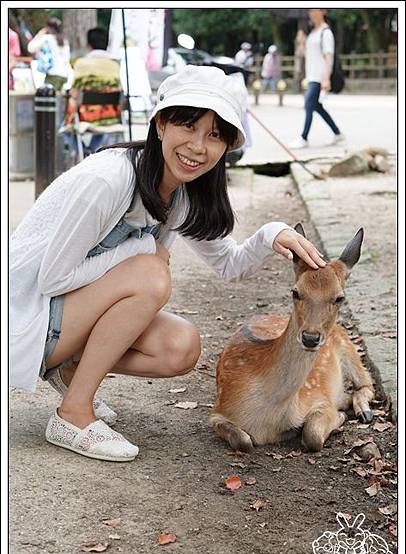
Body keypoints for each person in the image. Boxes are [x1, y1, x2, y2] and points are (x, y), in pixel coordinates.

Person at [10, 65, 326, 462]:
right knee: (150, 273)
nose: (198, 146)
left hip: (59, 322)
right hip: (24, 320)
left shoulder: (180, 194)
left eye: (214, 135)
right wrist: (141, 252)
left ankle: (71, 373)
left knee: (180, 346)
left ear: (227, 146)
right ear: (160, 124)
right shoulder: (109, 180)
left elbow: (229, 265)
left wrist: (272, 233)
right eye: (188, 126)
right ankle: (73, 413)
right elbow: (54, 278)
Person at [289, 9, 343, 149]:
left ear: (323, 11)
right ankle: (337, 133)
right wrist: (300, 42)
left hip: (319, 77)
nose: (311, 13)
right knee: (317, 107)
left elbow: (328, 57)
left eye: (314, 10)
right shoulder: (312, 32)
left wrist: (326, 78)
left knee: (308, 104)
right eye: (309, 10)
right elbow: (303, 54)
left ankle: (303, 137)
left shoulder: (326, 32)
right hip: (311, 75)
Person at [63, 27, 122, 157]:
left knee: (65, 129)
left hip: (86, 115)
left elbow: (74, 91)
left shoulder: (80, 64)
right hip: (110, 117)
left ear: (88, 45)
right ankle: (92, 151)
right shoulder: (114, 65)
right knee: (104, 127)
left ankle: (86, 153)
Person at [27, 16, 72, 91]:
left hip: (53, 75)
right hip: (65, 75)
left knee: (48, 100)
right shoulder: (64, 40)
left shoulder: (47, 38)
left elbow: (30, 48)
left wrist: (39, 34)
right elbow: (67, 58)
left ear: (48, 27)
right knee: (60, 101)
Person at [294, 28, 307, 94]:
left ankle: (304, 90)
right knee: (298, 75)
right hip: (299, 61)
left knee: (304, 75)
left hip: (305, 61)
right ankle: (297, 90)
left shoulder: (306, 41)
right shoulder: (297, 43)